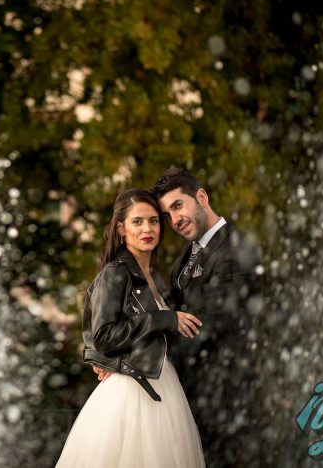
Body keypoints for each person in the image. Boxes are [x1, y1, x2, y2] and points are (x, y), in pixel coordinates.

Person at [56, 189, 205, 468]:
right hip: (129, 393)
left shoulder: (155, 277)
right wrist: (163, 319)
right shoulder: (116, 273)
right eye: (137, 221)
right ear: (121, 229)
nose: (147, 228)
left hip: (162, 383)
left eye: (153, 221)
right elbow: (103, 336)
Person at [150, 168, 263, 467]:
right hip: (192, 397)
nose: (174, 220)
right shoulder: (184, 260)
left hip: (225, 398)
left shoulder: (235, 250)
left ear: (201, 197)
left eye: (178, 206)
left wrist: (143, 352)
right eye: (167, 215)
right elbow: (170, 312)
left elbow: (205, 327)